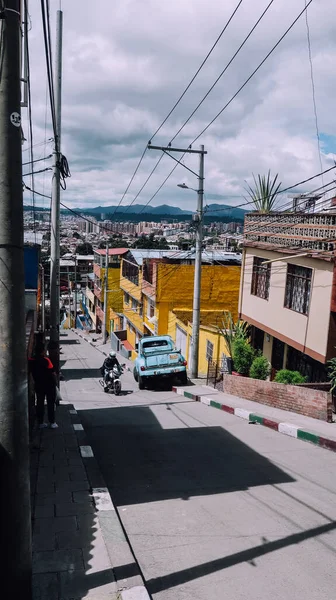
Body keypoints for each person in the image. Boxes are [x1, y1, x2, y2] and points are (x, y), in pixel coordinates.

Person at [29, 344, 58, 429]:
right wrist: (55, 382)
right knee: (50, 404)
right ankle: (52, 422)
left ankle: (40, 423)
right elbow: (53, 372)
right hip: (49, 385)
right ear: (43, 351)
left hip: (38, 385)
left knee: (39, 403)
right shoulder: (46, 360)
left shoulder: (31, 360)